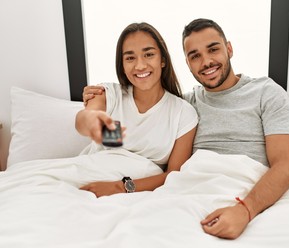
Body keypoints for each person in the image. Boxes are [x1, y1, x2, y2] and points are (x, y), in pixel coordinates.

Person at [83, 18, 289, 240]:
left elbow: (285, 165)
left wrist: (245, 210)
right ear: (187, 63)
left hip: (246, 191)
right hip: (188, 191)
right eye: (195, 56)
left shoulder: (267, 93)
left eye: (213, 49)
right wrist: (96, 103)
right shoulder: (185, 106)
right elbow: (139, 123)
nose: (206, 61)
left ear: (229, 49)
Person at [76, 22, 198, 198]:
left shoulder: (183, 113)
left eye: (148, 54)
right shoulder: (110, 94)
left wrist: (120, 187)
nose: (140, 65)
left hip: (133, 193)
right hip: (89, 177)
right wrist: (92, 121)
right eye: (130, 58)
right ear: (122, 65)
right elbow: (84, 118)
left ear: (162, 60)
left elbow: (173, 176)